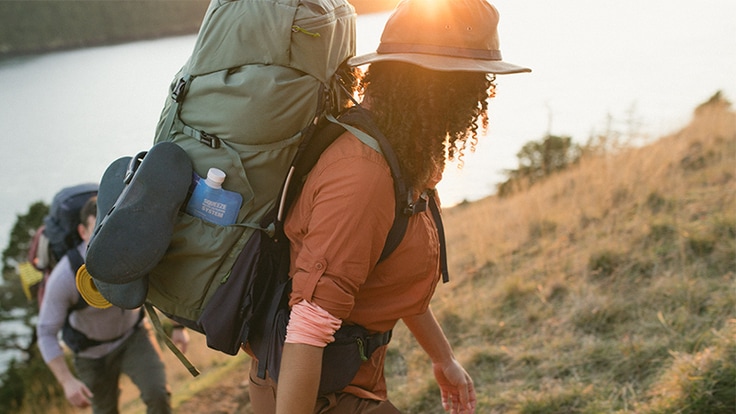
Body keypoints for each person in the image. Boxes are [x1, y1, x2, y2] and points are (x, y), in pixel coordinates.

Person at [247, 0, 530, 413]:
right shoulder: (362, 175)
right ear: (439, 88)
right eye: (475, 84)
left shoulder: (402, 153)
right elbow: (309, 322)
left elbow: (385, 276)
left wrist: (443, 358)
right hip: (313, 395)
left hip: (348, 384)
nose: (479, 97)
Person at [36, 196, 189, 413]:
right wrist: (67, 381)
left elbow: (161, 286)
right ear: (82, 233)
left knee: (158, 395)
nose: (103, 234)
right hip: (90, 355)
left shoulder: (131, 252)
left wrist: (178, 327)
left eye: (106, 224)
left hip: (134, 337)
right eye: (95, 227)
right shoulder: (64, 277)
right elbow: (45, 332)